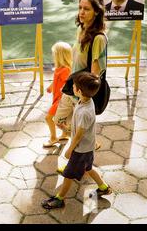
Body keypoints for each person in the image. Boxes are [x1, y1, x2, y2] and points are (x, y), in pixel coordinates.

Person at [41, 72, 112, 209]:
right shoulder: (86, 100)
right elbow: (80, 128)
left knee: (68, 175)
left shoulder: (84, 111)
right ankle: (103, 187)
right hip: (87, 147)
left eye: (74, 85)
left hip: (80, 149)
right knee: (89, 168)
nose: (72, 86)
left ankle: (59, 198)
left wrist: (69, 150)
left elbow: (79, 134)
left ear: (78, 91)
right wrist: (66, 128)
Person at [54, 0, 108, 150]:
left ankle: (84, 144)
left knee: (70, 125)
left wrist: (82, 97)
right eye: (80, 8)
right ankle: (88, 138)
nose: (82, 12)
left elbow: (95, 75)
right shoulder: (81, 28)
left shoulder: (98, 38)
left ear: (97, 12)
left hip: (81, 93)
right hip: (72, 86)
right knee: (59, 120)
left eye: (87, 9)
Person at [43, 42, 72, 148]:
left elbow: (68, 84)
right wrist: (51, 86)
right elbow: (56, 80)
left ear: (60, 56)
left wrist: (62, 89)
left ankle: (53, 138)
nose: (53, 56)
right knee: (62, 118)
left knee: (48, 118)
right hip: (56, 98)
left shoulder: (65, 70)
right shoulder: (60, 68)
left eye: (54, 54)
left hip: (61, 100)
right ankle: (64, 135)